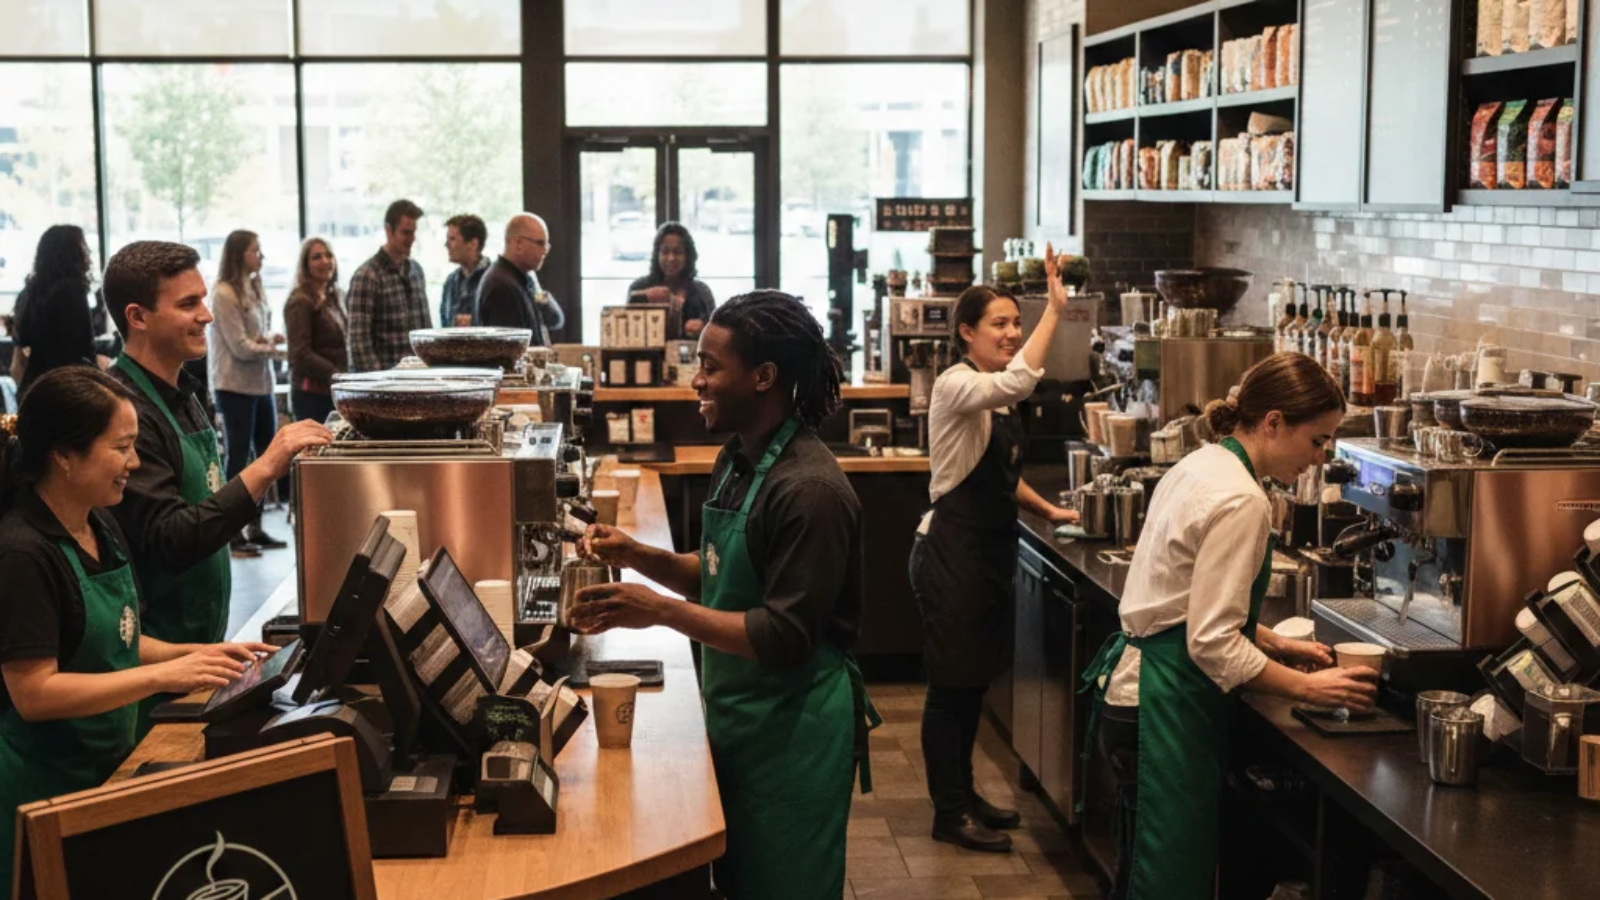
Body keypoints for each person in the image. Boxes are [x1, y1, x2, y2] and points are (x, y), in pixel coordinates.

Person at [572, 291, 876, 900]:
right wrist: (637, 555)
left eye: (711, 366)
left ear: (764, 377)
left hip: (795, 729)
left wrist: (656, 610)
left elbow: (784, 636)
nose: (696, 379)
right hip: (743, 714)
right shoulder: (738, 459)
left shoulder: (810, 491)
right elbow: (720, 574)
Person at [1085, 352, 1379, 900]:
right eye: (1317, 440)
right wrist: (1308, 686)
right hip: (1162, 706)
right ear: (1273, 422)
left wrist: (1267, 640)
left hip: (1134, 693)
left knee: (1141, 873)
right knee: (1166, 883)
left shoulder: (1204, 463)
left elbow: (1182, 600)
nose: (1320, 457)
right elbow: (1212, 642)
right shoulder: (1244, 499)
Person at [0, 366, 272, 892]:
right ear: (64, 454)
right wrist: (161, 679)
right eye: (122, 447)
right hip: (40, 789)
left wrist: (202, 655)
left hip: (100, 771)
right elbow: (35, 691)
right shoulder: (22, 553)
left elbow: (116, 639)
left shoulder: (98, 521)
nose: (135, 462)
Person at [907, 252, 1081, 854]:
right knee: (949, 688)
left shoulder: (992, 394)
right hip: (950, 553)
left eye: (1016, 322)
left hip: (984, 553)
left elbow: (1001, 476)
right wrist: (1055, 311)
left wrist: (1048, 509)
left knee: (972, 685)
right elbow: (1020, 378)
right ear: (966, 334)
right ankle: (948, 813)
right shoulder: (961, 383)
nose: (1010, 333)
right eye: (999, 325)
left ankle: (966, 796)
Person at [104, 241, 329, 667]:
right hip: (157, 656)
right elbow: (171, 539)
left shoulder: (185, 392)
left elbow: (206, 506)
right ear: (137, 317)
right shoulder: (123, 412)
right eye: (189, 304)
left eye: (203, 300)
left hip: (203, 639)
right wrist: (265, 467)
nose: (206, 315)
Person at [208, 230, 287, 556]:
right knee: (238, 459)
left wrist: (270, 339)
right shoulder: (224, 293)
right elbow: (239, 347)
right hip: (234, 385)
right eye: (256, 250)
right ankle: (231, 534)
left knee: (268, 456)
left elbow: (254, 336)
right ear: (240, 254)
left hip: (261, 384)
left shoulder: (254, 287)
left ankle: (256, 527)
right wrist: (272, 350)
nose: (261, 256)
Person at [12, 225, 104, 393]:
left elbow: (22, 340)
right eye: (83, 247)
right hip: (67, 390)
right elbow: (82, 351)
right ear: (73, 253)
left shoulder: (29, 292)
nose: (88, 253)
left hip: (35, 385)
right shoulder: (72, 291)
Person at [347, 199, 429, 372]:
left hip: (420, 381)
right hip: (386, 383)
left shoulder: (416, 271)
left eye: (413, 232)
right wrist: (380, 385)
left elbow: (425, 330)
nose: (411, 239)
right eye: (405, 233)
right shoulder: (367, 276)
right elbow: (359, 343)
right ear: (388, 230)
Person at [284, 237, 347, 429]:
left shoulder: (334, 296)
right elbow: (300, 353)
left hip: (332, 390)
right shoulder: (300, 301)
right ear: (305, 265)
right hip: (311, 394)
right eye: (317, 257)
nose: (325, 261)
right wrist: (335, 373)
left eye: (329, 255)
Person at [476, 213, 564, 345]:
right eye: (540, 243)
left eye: (546, 244)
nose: (545, 250)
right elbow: (511, 352)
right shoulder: (502, 286)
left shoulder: (518, 279)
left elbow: (555, 320)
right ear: (518, 244)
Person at [626, 222, 716, 340]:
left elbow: (716, 331)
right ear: (656, 254)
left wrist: (703, 327)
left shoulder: (702, 292)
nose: (671, 258)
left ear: (688, 256)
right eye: (665, 251)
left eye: (678, 252)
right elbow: (626, 330)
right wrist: (644, 297)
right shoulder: (639, 287)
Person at [439, 214, 490, 327]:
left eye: (452, 239)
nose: (446, 245)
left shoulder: (493, 280)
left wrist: (473, 323)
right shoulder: (451, 281)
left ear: (473, 244)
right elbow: (444, 323)